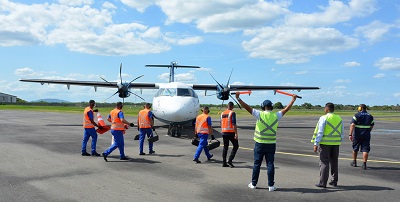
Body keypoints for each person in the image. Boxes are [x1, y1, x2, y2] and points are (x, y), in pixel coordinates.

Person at [236, 93, 297, 192]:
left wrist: (238, 98)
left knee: (257, 164)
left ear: (263, 107)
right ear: (271, 107)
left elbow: (247, 107)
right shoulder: (276, 115)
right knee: (270, 164)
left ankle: (254, 183)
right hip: (271, 144)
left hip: (259, 143)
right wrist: (293, 100)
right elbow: (286, 109)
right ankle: (271, 186)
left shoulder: (259, 114)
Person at [312, 102, 344, 188]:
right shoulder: (339, 118)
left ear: (327, 109)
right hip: (336, 143)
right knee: (334, 162)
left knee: (324, 163)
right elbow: (342, 132)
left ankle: (323, 182)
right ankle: (334, 181)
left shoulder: (324, 118)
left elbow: (320, 131)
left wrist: (316, 143)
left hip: (325, 143)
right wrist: (339, 140)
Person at [349, 104, 374, 170]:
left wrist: (350, 134)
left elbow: (352, 125)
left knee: (355, 148)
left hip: (357, 135)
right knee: (365, 149)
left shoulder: (356, 115)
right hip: (366, 135)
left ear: (360, 108)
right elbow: (372, 125)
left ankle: (354, 162)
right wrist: (368, 131)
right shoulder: (370, 116)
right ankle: (364, 164)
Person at [220, 101, 239, 168]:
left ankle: (224, 162)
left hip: (224, 132)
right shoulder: (232, 113)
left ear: (227, 106)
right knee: (236, 146)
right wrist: (236, 133)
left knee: (225, 147)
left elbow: (221, 122)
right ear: (232, 106)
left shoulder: (222, 113)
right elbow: (234, 123)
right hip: (230, 132)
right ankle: (230, 160)